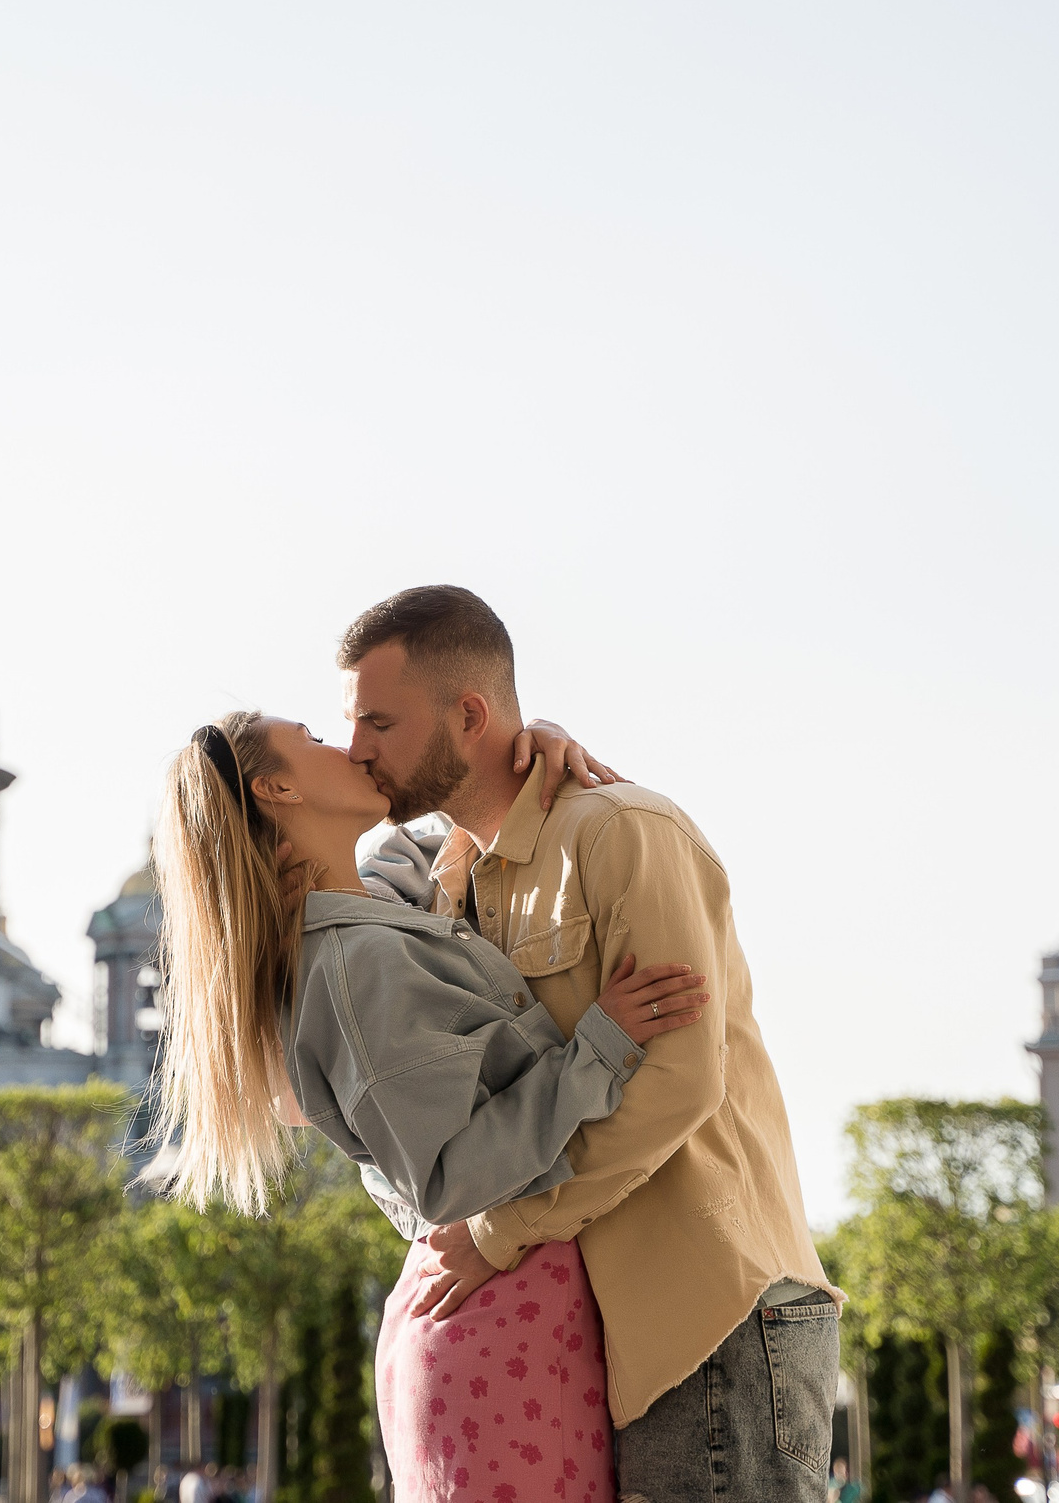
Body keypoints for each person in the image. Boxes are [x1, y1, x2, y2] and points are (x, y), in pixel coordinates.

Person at [340, 585, 840, 1503]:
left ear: (472, 714)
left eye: (379, 720)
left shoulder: (621, 831)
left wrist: (503, 1231)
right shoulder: (446, 885)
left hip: (711, 1319)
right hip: (605, 1340)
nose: (357, 746)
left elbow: (681, 1084)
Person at [152, 708, 709, 1503]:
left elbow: (440, 841)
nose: (345, 746)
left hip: (504, 1314)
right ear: (278, 788)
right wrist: (599, 1046)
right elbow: (449, 1176)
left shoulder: (363, 916)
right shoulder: (354, 966)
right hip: (505, 1319)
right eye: (313, 739)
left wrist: (529, 754)